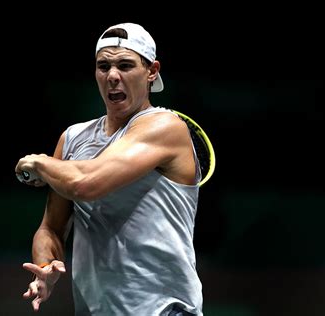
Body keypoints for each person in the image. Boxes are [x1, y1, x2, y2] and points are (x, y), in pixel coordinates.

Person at [15, 22, 204, 315]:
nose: (113, 76)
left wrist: (38, 161)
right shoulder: (73, 138)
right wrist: (45, 267)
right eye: (103, 66)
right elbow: (51, 228)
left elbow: (85, 184)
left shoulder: (166, 127)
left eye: (125, 65)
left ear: (152, 71)